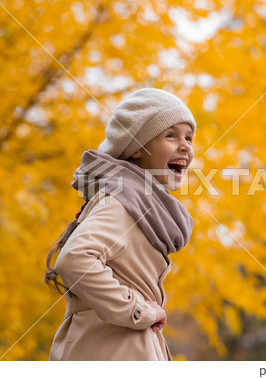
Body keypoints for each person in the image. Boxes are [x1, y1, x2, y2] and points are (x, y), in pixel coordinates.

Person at [44, 87, 196, 360]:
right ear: (137, 148)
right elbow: (74, 259)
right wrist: (138, 311)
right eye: (170, 135)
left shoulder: (140, 204)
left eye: (189, 137)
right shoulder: (121, 200)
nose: (185, 145)